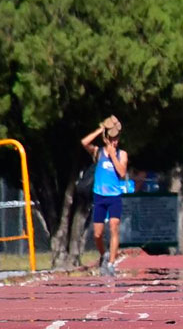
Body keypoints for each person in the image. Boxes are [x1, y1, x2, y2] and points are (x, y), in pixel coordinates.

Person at [81, 115, 128, 276]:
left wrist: (113, 154)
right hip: (99, 196)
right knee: (97, 234)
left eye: (117, 139)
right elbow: (84, 142)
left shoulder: (122, 154)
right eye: (112, 139)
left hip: (114, 197)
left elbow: (122, 173)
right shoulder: (98, 153)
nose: (115, 141)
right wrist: (100, 129)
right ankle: (104, 255)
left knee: (114, 227)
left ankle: (111, 264)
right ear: (107, 139)